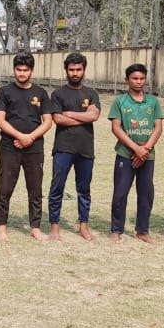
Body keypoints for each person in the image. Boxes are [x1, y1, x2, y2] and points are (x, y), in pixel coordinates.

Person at [0, 52, 57, 242]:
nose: (21, 73)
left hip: (34, 148)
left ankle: (35, 228)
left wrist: (30, 137)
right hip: (9, 146)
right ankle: (2, 229)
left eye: (25, 70)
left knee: (35, 188)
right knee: (5, 187)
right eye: (18, 69)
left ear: (31, 71)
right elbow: (0, 120)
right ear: (14, 70)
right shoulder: (5, 91)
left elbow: (47, 121)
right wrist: (20, 136)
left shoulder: (41, 93)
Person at [46, 52, 101, 241]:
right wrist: (84, 117)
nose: (75, 73)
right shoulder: (58, 94)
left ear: (84, 70)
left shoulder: (91, 93)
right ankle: (54, 227)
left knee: (84, 189)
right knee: (57, 187)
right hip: (63, 148)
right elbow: (58, 119)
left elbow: (94, 116)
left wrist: (69, 113)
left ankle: (83, 227)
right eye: (71, 70)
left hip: (85, 149)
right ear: (66, 71)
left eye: (78, 69)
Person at [108, 63, 164, 243]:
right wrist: (135, 149)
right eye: (134, 78)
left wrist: (145, 149)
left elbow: (158, 127)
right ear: (127, 80)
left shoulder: (153, 101)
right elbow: (116, 128)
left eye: (141, 78)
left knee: (146, 193)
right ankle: (116, 229)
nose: (138, 82)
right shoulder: (119, 101)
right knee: (120, 193)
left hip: (148, 156)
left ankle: (142, 230)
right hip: (125, 154)